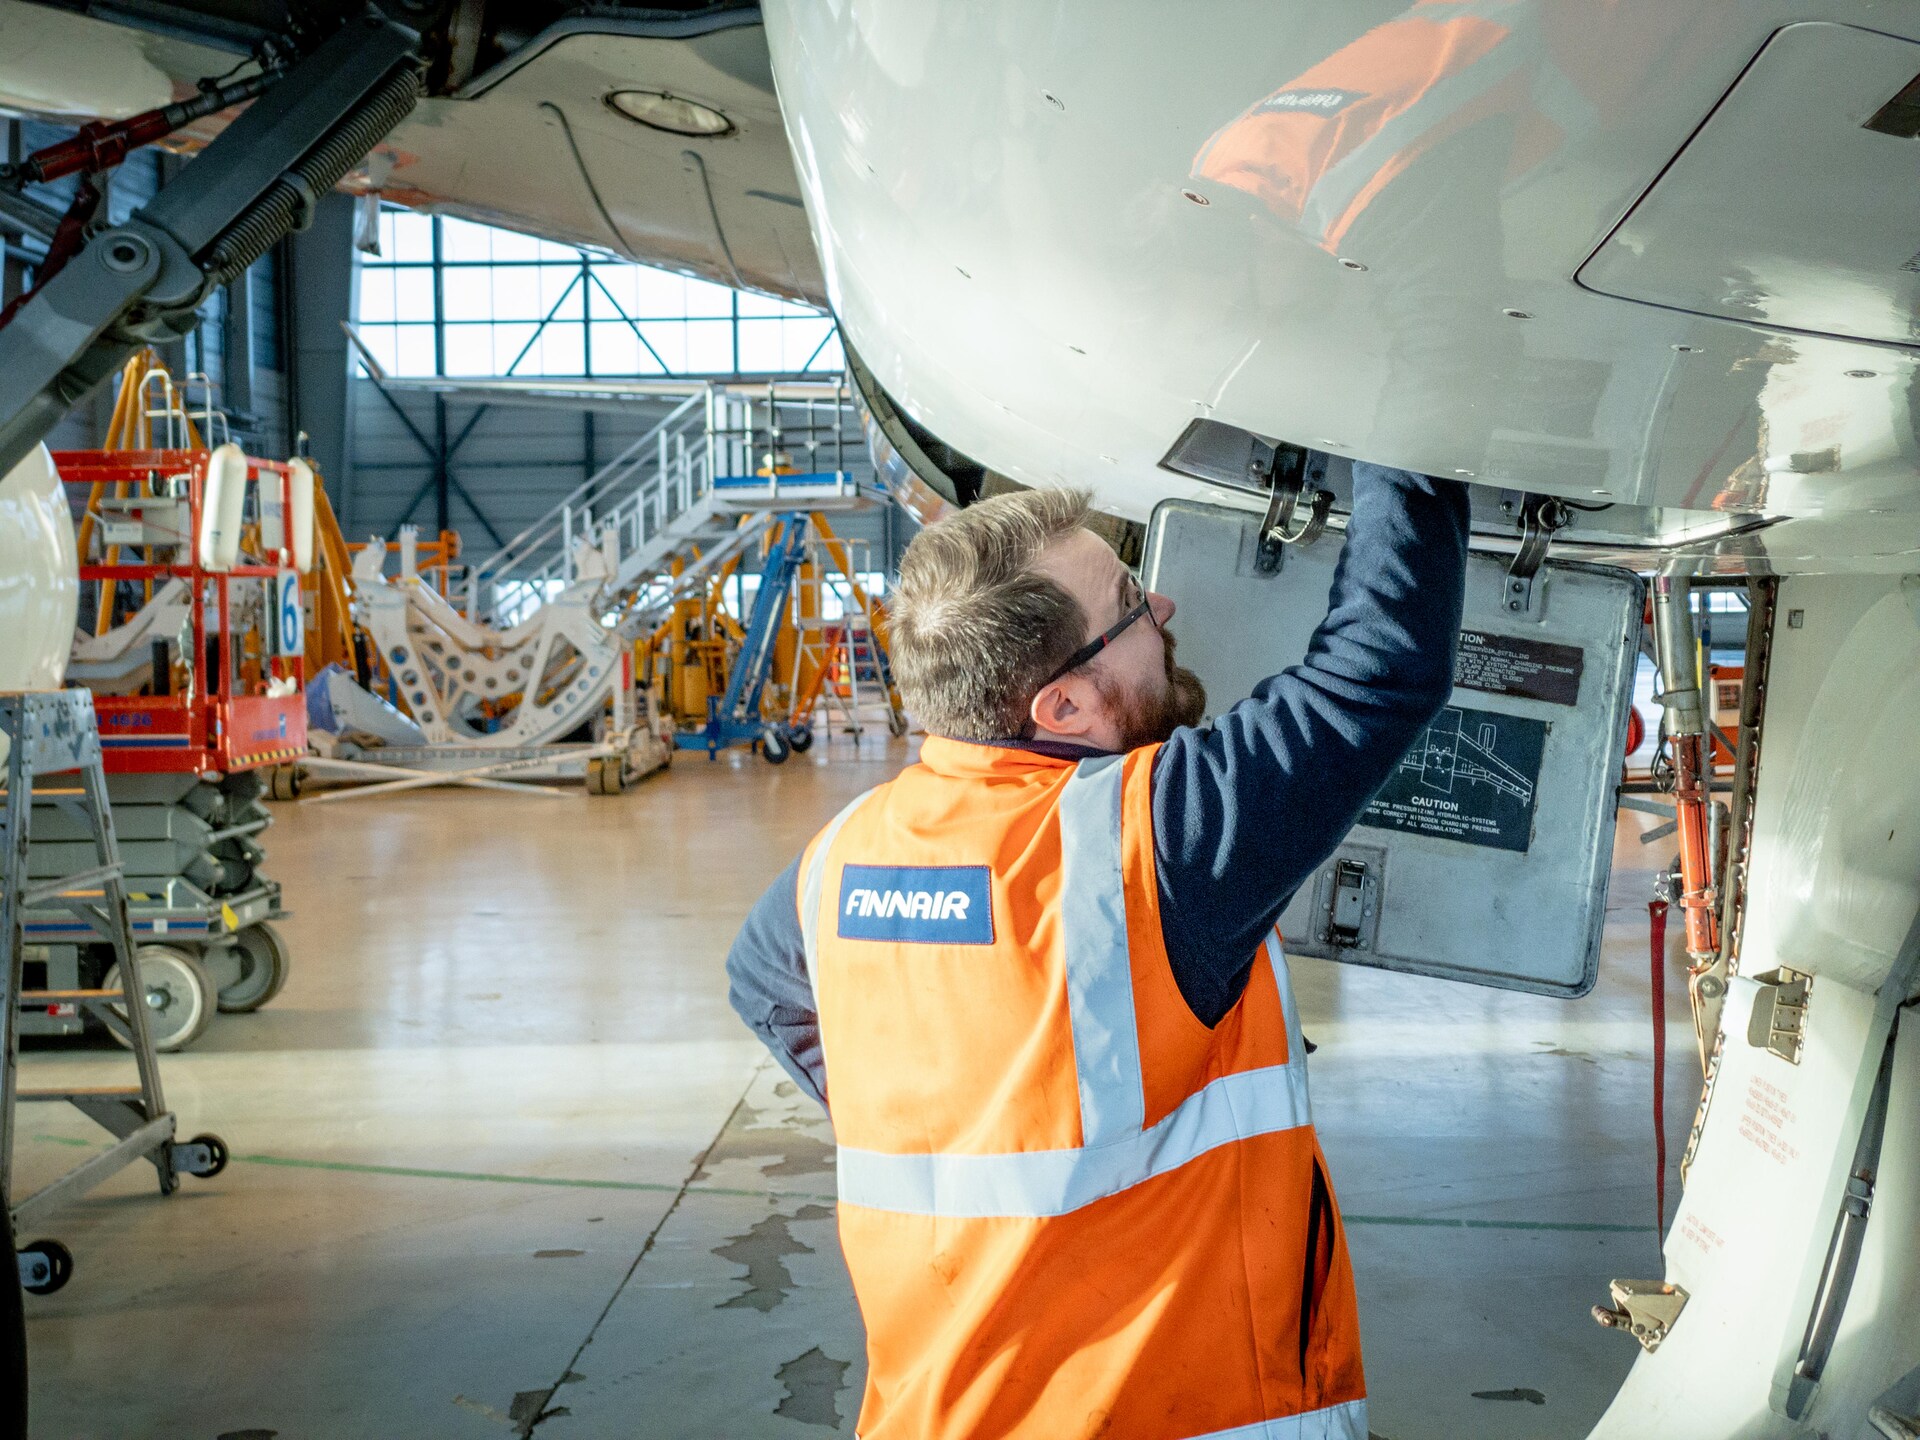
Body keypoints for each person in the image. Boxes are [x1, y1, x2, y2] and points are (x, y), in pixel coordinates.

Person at [728, 462, 1469, 1440]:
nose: (1160, 604)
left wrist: (957, 1127)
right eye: (1127, 607)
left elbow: (763, 983)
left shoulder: (844, 857)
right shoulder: (1152, 839)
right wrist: (1406, 425)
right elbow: (1377, 670)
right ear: (1063, 708)